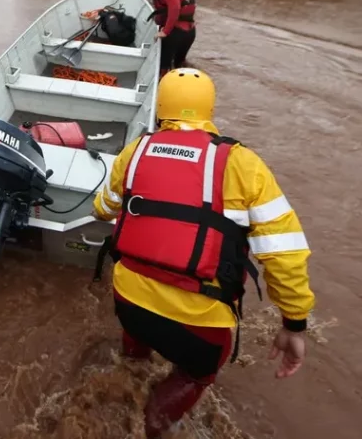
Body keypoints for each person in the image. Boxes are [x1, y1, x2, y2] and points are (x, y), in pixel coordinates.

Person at [92, 68, 315, 438]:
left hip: (129, 301)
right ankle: (155, 423)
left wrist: (101, 208)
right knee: (194, 373)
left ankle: (131, 368)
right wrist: (294, 323)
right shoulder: (243, 164)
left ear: (161, 107)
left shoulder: (137, 150)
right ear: (209, 108)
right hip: (199, 323)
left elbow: (104, 208)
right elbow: (284, 253)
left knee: (136, 344)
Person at [150, 0, 198, 72]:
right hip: (190, 32)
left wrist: (165, 32)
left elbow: (175, 8)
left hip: (175, 33)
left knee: (163, 70)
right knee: (179, 68)